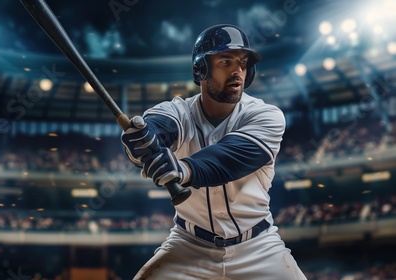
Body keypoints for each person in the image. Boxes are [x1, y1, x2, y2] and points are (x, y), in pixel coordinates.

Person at [121, 24, 307, 279]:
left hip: (258, 247)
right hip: (188, 245)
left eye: (242, 63)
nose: (237, 71)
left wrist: (183, 169)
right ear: (201, 69)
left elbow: (230, 158)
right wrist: (144, 141)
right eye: (226, 61)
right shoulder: (180, 112)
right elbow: (160, 125)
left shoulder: (266, 115)